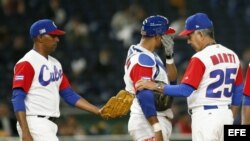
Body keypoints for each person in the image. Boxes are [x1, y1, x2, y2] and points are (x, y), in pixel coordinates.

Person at [135, 13, 243, 141]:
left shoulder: (200, 57)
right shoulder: (233, 56)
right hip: (226, 115)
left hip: (205, 118)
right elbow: (238, 90)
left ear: (201, 34)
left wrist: (154, 85)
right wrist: (231, 115)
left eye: (190, 35)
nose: (188, 41)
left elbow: (185, 90)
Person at [11, 19, 100, 141]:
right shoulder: (27, 62)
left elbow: (69, 94)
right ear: (40, 37)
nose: (57, 39)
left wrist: (98, 111)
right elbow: (18, 97)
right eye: (53, 36)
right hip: (34, 123)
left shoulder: (55, 63)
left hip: (49, 125)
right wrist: (26, 132)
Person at [123, 15, 178, 141]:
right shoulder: (142, 59)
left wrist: (169, 57)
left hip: (152, 120)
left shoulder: (148, 54)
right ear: (157, 36)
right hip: (147, 122)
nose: (167, 38)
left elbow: (172, 82)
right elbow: (144, 94)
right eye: (165, 34)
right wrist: (156, 127)